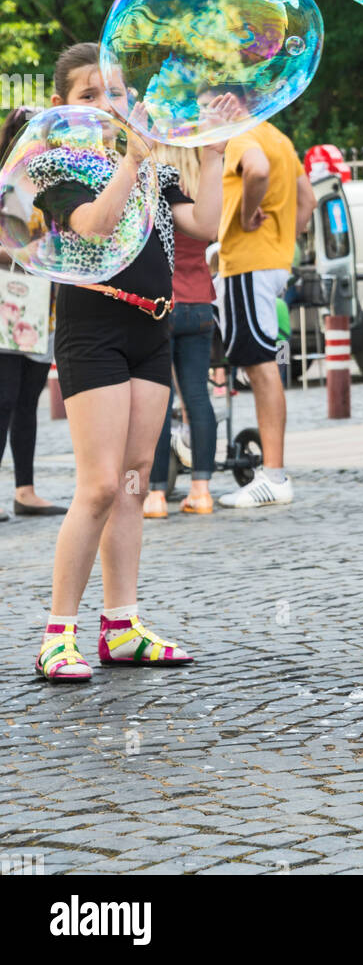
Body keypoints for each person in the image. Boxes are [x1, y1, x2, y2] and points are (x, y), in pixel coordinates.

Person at [31, 43, 227, 681]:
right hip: (93, 331)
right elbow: (93, 224)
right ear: (62, 106)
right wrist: (131, 163)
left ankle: (122, 625)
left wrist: (216, 152)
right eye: (89, 95)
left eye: (114, 92)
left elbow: (207, 222)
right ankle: (58, 634)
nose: (106, 104)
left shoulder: (152, 166)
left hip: (152, 326)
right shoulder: (56, 169)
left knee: (138, 478)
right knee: (99, 484)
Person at [216, 121, 316, 508]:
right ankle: (272, 474)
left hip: (246, 262)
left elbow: (256, 171)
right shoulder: (279, 137)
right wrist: (282, 242)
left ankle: (273, 476)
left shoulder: (243, 136)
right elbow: (307, 201)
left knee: (260, 365)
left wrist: (244, 216)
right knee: (262, 362)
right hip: (271, 263)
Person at [144, 147, 219, 517]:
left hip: (164, 303)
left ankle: (156, 495)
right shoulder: (201, 187)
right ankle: (202, 490)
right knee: (198, 398)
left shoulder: (159, 187)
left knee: (160, 402)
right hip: (201, 301)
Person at [0, 107, 64, 520]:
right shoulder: (5, 188)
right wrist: (31, 252)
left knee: (27, 400)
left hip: (44, 304)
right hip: (9, 302)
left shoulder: (54, 188)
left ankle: (26, 490)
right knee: (3, 399)